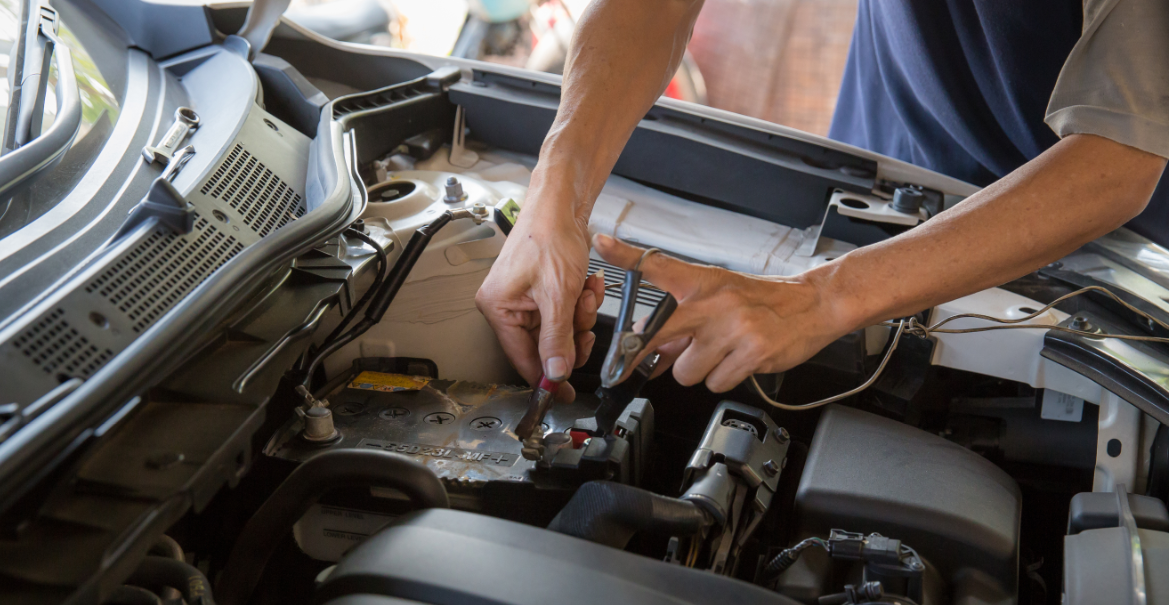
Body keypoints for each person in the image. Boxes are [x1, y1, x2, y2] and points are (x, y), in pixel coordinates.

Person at [475, 0, 1169, 400]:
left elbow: (1116, 160)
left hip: (1093, 244)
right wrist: (553, 200)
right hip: (893, 148)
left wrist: (821, 299)